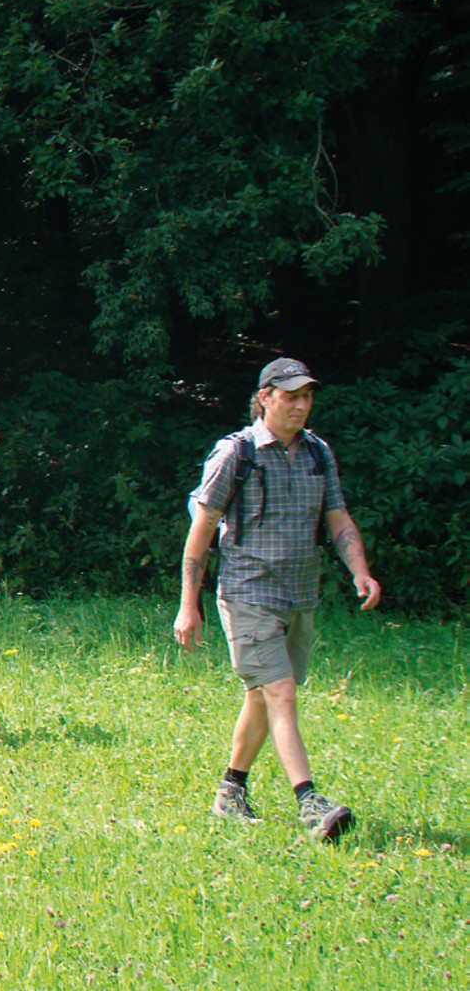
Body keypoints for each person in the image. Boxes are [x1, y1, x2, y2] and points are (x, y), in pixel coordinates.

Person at [174, 357, 382, 843]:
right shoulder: (236, 455)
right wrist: (190, 604)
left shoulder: (316, 453)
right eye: (291, 396)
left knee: (264, 697)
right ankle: (311, 804)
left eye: (307, 397)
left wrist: (361, 572)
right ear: (265, 397)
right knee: (281, 693)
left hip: (299, 595)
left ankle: (230, 793)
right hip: (248, 594)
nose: (301, 405)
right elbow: (200, 531)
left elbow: (338, 518)